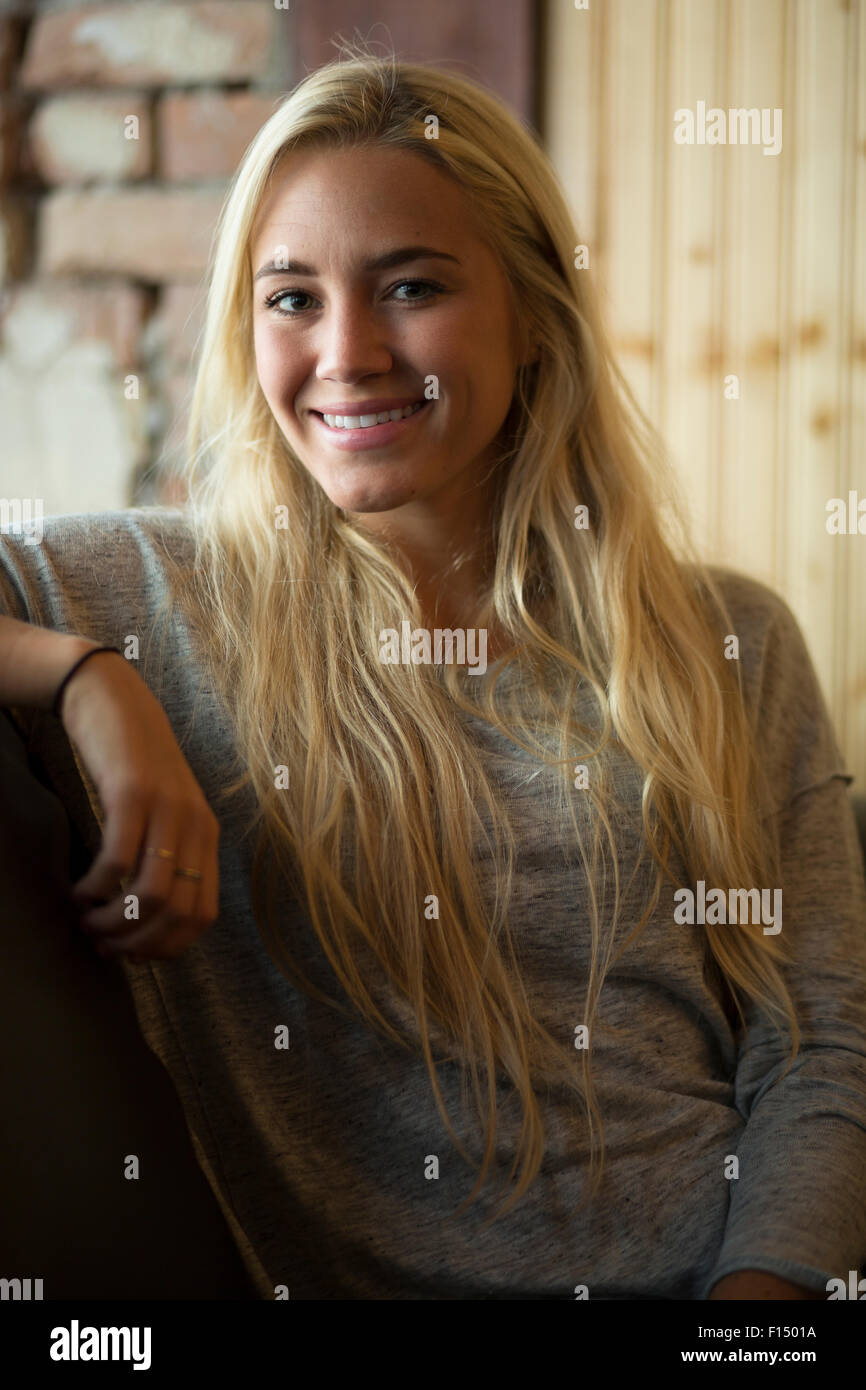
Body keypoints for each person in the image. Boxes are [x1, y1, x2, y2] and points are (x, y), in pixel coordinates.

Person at [1, 46, 865, 1302]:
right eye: (290, 297)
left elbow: (816, 1051)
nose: (345, 351)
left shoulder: (726, 639)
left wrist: (757, 1317)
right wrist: (86, 678)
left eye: (409, 286)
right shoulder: (146, 598)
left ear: (530, 312)